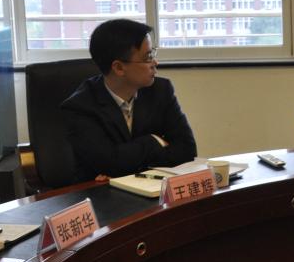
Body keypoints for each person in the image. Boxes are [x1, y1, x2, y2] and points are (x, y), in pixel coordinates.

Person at [62, 19, 197, 181]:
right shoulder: (80, 107)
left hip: (151, 186)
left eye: (153, 53)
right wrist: (153, 141)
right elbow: (109, 164)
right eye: (147, 57)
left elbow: (187, 151)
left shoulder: (161, 90)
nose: (155, 63)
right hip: (102, 192)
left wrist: (124, 158)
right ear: (119, 68)